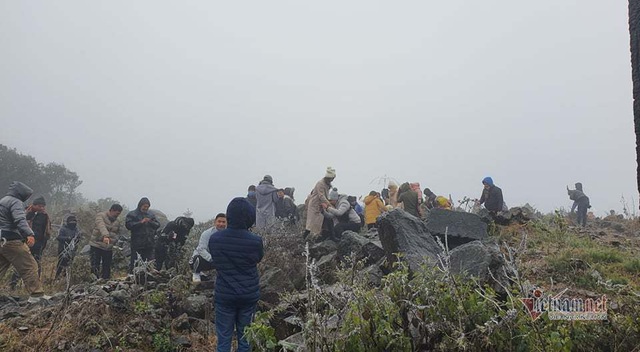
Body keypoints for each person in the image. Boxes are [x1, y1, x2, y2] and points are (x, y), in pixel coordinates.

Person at [209, 198, 264, 352]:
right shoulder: (256, 241)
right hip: (248, 295)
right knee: (245, 339)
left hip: (224, 295)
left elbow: (215, 259)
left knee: (224, 340)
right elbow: (258, 258)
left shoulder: (215, 239)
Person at [0, 181, 44, 302]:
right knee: (29, 265)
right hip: (12, 240)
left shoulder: (3, 200)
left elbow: (8, 219)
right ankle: (36, 295)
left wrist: (26, 213)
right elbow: (19, 220)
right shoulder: (16, 202)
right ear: (20, 193)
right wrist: (29, 234)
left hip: (1, 239)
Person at [10, 195, 52, 288]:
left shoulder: (45, 216)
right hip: (25, 242)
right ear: (34, 205)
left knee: (37, 264)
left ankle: (36, 285)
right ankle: (13, 284)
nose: (42, 208)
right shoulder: (27, 213)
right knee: (22, 263)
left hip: (38, 244)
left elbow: (46, 230)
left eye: (43, 206)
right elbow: (21, 224)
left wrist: (42, 242)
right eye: (40, 206)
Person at [125, 197, 160, 274]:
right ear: (140, 205)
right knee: (135, 263)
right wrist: (140, 222)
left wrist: (150, 221)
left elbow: (157, 225)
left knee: (149, 264)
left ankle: (148, 280)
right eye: (144, 206)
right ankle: (133, 279)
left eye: (147, 207)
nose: (146, 208)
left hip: (149, 243)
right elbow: (129, 225)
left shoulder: (151, 214)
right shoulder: (132, 214)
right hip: (137, 244)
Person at [190, 213, 227, 282]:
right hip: (204, 259)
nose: (221, 224)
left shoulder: (228, 234)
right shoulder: (207, 233)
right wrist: (212, 259)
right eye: (219, 221)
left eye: (223, 222)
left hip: (218, 260)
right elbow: (201, 249)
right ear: (215, 222)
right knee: (197, 258)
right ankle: (196, 274)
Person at [90, 204, 123, 280]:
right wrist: (105, 235)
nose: (117, 215)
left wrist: (114, 240)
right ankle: (93, 282)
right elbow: (101, 225)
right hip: (96, 245)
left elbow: (118, 232)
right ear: (111, 210)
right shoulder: (100, 216)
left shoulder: (117, 221)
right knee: (95, 265)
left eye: (119, 214)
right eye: (117, 213)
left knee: (107, 266)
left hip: (108, 247)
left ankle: (106, 282)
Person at [304, 167, 335, 239]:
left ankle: (329, 237)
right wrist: (329, 205)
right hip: (315, 206)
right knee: (311, 225)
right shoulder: (320, 183)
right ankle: (304, 239)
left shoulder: (326, 184)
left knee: (325, 221)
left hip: (321, 206)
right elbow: (321, 196)